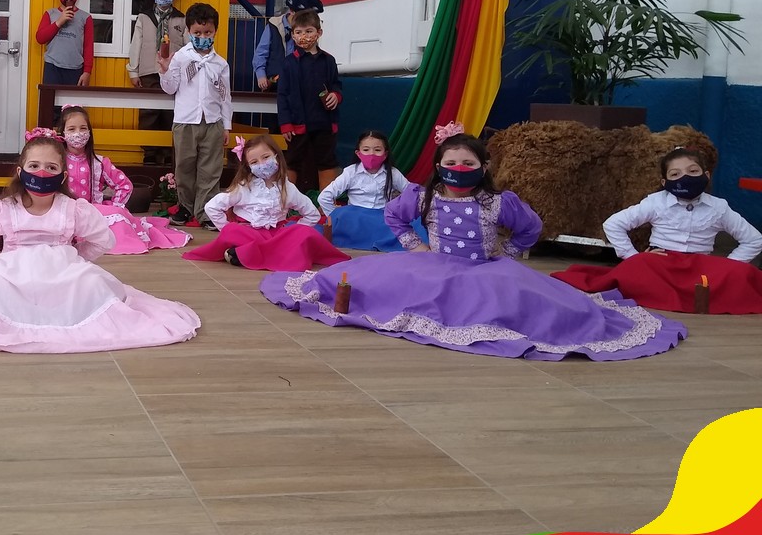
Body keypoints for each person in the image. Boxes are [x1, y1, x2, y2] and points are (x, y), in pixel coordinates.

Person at [258, 127, 686, 361]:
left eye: (468, 162)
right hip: (432, 264)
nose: (459, 168)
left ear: (483, 167)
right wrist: (415, 246)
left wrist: (509, 255)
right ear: (439, 166)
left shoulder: (499, 202)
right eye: (451, 163)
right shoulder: (423, 196)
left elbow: (531, 228)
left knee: (517, 306)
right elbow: (394, 216)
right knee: (381, 287)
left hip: (486, 269)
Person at [0, 129, 201, 353]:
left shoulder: (73, 208)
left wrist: (76, 258)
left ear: (62, 175)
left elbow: (103, 239)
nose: (41, 172)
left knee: (90, 284)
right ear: (20, 171)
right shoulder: (4, 208)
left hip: (63, 270)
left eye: (50, 167)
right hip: (13, 270)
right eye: (34, 165)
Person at [552, 147, 762, 314]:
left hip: (700, 268)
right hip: (661, 263)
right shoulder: (656, 202)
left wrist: (727, 266)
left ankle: (690, 295)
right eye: (675, 174)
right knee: (640, 264)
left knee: (745, 272)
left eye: (693, 171)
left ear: (706, 175)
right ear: (665, 182)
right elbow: (613, 224)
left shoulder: (719, 207)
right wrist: (632, 256)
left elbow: (754, 239)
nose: (685, 177)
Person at [183, 135, 348, 270]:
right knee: (233, 230)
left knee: (304, 233)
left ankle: (249, 254)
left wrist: (293, 231)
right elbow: (212, 207)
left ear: (276, 156)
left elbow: (311, 214)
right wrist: (225, 228)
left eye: (266, 157)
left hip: (277, 236)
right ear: (248, 166)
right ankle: (254, 253)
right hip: (250, 233)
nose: (262, 164)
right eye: (254, 162)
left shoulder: (288, 188)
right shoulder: (244, 187)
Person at [60, 105, 190, 255]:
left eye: (83, 128)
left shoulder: (99, 163)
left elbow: (124, 185)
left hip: (93, 212)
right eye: (71, 129)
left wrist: (116, 206)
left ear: (89, 132)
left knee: (117, 215)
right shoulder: (57, 162)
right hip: (64, 212)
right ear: (63, 133)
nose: (78, 133)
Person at [158, 2, 232, 228]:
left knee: (211, 169)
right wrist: (164, 70)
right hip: (185, 121)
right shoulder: (180, 57)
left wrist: (226, 125)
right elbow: (170, 88)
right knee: (185, 167)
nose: (203, 37)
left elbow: (225, 96)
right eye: (197, 33)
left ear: (215, 31)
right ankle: (185, 207)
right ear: (189, 31)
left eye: (207, 32)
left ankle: (206, 211)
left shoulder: (220, 63)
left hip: (212, 122)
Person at [318, 130, 421, 252]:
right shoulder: (350, 172)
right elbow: (324, 197)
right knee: (342, 214)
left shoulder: (393, 173)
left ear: (385, 154)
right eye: (366, 150)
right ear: (358, 153)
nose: (371, 154)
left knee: (417, 223)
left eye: (377, 150)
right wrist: (334, 216)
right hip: (355, 219)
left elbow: (412, 193)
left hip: (383, 219)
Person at [276, 9, 342, 194]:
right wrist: (285, 124)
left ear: (319, 33)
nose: (304, 36)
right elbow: (282, 95)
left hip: (325, 123)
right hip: (297, 124)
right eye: (298, 32)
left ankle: (325, 203)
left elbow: (337, 85)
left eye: (309, 31)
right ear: (292, 35)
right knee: (293, 161)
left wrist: (336, 96)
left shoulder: (329, 60)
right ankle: (287, 201)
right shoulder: (288, 63)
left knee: (327, 161)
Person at [127, 0, 187, 165]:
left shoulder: (182, 19)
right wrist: (133, 70)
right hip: (149, 71)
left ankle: (169, 151)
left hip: (173, 73)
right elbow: (136, 44)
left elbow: (188, 47)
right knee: (149, 112)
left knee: (171, 112)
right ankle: (150, 152)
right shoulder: (144, 17)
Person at [252, 0, 324, 91]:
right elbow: (261, 53)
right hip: (274, 83)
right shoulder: (274, 25)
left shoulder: (310, 30)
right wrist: (261, 75)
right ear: (292, 11)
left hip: (300, 84)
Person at [35, 0, 94, 87]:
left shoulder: (86, 18)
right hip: (52, 67)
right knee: (49, 99)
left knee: (72, 100)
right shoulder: (50, 14)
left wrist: (87, 71)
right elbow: (40, 38)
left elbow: (88, 47)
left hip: (75, 69)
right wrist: (59, 22)